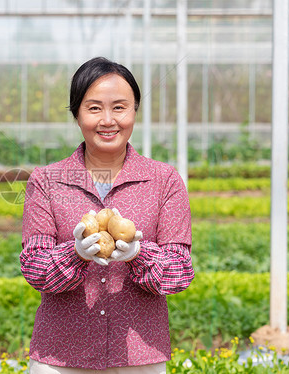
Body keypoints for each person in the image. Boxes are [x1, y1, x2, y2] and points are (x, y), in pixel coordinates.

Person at [20, 56, 194, 374]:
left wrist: (139, 256)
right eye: (94, 107)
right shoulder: (46, 180)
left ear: (134, 112)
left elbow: (179, 273)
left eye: (119, 107)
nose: (108, 120)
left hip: (139, 358)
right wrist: (73, 255)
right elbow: (34, 268)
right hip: (60, 358)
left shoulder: (165, 180)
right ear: (76, 113)